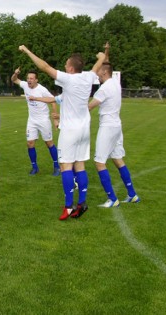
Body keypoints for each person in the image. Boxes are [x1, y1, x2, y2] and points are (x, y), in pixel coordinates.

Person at [19, 44, 106, 220]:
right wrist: (102, 56)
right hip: (84, 130)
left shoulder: (69, 79)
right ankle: (81, 203)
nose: (65, 67)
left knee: (66, 166)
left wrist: (28, 51)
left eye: (66, 65)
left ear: (71, 68)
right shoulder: (89, 77)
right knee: (79, 165)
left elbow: (44, 67)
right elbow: (98, 65)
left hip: (70, 130)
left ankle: (68, 207)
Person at [88, 43, 140, 207]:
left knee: (99, 162)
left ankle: (112, 199)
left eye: (98, 71)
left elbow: (89, 107)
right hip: (117, 126)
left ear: (104, 72)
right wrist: (106, 52)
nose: (96, 72)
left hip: (108, 127)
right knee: (118, 160)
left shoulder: (103, 89)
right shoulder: (115, 83)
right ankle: (132, 195)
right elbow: (107, 64)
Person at [11, 68, 61, 176]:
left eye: (32, 79)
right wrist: (15, 73)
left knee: (49, 143)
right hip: (32, 120)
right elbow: (14, 79)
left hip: (43, 120)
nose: (29, 80)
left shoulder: (42, 90)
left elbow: (53, 102)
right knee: (30, 143)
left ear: (36, 80)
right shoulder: (25, 85)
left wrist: (55, 119)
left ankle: (57, 166)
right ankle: (34, 167)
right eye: (28, 78)